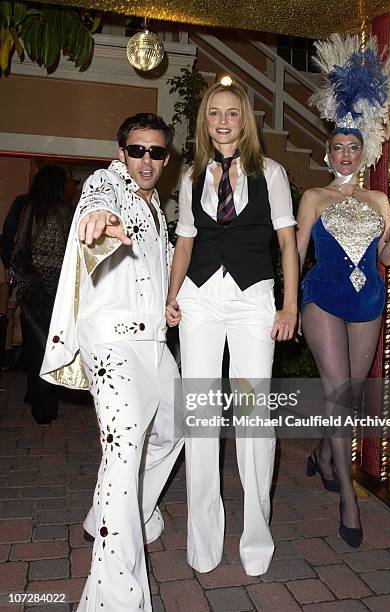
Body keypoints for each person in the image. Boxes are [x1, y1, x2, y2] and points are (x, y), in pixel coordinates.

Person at [41, 113, 184, 611]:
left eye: (156, 152)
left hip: (153, 343)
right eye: (137, 150)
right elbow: (96, 205)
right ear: (122, 152)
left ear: (165, 158)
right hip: (113, 347)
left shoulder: (159, 209)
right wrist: (98, 218)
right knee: (124, 454)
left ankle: (124, 511)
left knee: (175, 426)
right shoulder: (109, 183)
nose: (147, 160)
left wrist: (168, 302)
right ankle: (115, 599)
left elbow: (152, 268)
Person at [166, 81, 299, 576]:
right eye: (215, 113)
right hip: (200, 300)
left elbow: (287, 243)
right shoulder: (190, 175)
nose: (223, 121)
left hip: (252, 303)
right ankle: (203, 544)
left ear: (245, 121)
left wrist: (290, 306)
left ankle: (256, 542)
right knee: (200, 421)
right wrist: (170, 297)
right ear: (205, 121)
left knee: (254, 420)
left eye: (233, 114)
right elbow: (184, 243)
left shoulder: (272, 173)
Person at [296, 33, 390, 548]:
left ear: (363, 153)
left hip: (367, 302)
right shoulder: (314, 197)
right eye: (338, 147)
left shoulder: (379, 200)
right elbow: (294, 255)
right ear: (329, 152)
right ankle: (347, 495)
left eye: (353, 148)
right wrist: (283, 305)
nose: (345, 154)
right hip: (321, 297)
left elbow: (383, 260)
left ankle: (326, 451)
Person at [11, 165, 73, 424]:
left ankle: (42, 405)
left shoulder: (30, 209)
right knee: (50, 344)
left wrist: (18, 274)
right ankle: (37, 397)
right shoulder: (67, 212)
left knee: (34, 343)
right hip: (57, 287)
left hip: (33, 285)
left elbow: (19, 246)